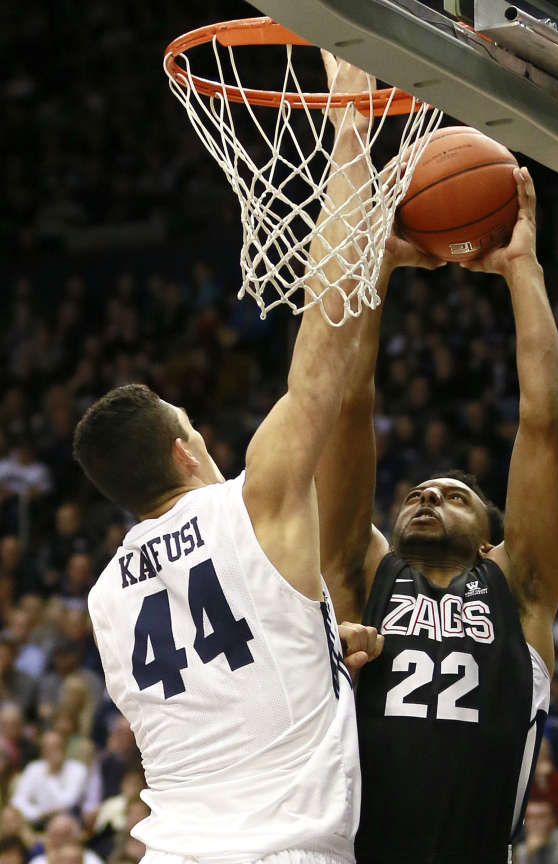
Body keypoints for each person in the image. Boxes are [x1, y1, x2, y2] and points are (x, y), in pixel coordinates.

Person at [72, 55, 382, 864]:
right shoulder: (251, 504)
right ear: (185, 449)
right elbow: (327, 339)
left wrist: (314, 637)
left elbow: (217, 689)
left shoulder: (105, 600)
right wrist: (348, 131)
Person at [316, 168, 558, 862]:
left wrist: (521, 267)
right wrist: (376, 264)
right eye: (416, 494)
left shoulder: (517, 588)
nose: (426, 497)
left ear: (492, 541)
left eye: (452, 496)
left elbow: (544, 422)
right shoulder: (356, 570)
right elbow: (347, 406)